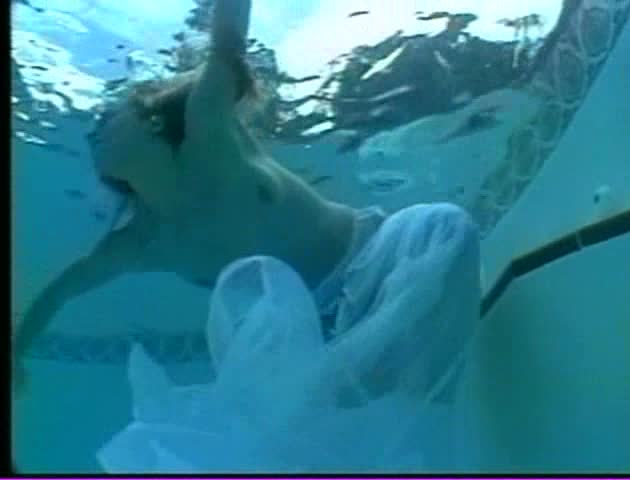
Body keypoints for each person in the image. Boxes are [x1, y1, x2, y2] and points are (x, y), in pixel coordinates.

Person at [13, 0, 481, 423]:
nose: (93, 131)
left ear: (150, 120)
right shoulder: (141, 241)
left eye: (106, 118)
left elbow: (227, 40)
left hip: (378, 257)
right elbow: (60, 292)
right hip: (314, 337)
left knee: (445, 227)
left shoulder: (207, 135)